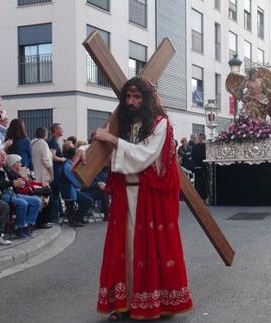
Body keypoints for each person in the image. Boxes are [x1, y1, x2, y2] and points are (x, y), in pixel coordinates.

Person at [78, 77, 193, 320]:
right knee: (125, 248)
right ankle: (125, 302)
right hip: (124, 196)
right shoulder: (120, 123)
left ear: (146, 98)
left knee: (149, 249)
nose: (131, 102)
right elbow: (102, 148)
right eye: (128, 97)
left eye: (137, 96)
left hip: (149, 196)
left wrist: (111, 140)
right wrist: (83, 151)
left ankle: (156, 301)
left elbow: (145, 154)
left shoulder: (161, 123)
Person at [0, 150, 41, 238]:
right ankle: (19, 227)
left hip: (12, 193)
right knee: (22, 203)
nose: (4, 157)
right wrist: (12, 183)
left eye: (5, 155)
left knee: (36, 201)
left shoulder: (4, 168)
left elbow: (16, 177)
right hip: (1, 195)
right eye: (1, 155)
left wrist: (21, 181)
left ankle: (27, 225)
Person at [60, 147, 92, 227]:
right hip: (69, 192)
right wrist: (85, 183)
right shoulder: (68, 166)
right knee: (88, 201)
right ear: (74, 156)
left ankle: (77, 218)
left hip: (70, 190)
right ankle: (75, 219)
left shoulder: (69, 164)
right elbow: (76, 182)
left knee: (86, 200)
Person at [47, 123, 66, 223]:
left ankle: (59, 213)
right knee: (55, 194)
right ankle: (54, 217)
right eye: (61, 128)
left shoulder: (55, 142)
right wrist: (63, 159)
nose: (63, 130)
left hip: (57, 171)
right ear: (56, 130)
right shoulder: (53, 142)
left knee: (56, 194)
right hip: (55, 171)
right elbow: (53, 157)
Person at [191, 133, 207, 200]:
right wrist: (193, 166)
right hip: (196, 167)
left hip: (203, 167)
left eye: (202, 138)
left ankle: (204, 196)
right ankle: (197, 196)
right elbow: (193, 156)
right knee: (197, 183)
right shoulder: (195, 146)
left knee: (203, 183)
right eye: (199, 138)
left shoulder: (206, 146)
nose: (200, 139)